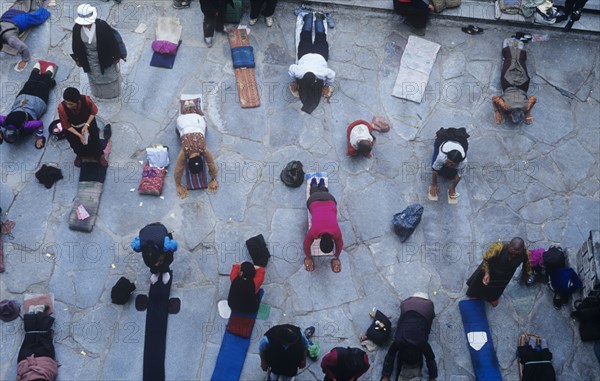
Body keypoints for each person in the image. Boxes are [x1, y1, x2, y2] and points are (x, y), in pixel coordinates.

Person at [381, 293, 438, 381]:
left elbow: (390, 356)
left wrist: (386, 376)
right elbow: (431, 360)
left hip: (413, 304)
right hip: (415, 305)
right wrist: (432, 377)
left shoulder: (401, 341)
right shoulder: (422, 343)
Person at [71, 4, 122, 99]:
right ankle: (99, 93)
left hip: (105, 56)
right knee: (94, 77)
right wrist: (77, 59)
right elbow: (76, 45)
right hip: (90, 59)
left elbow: (112, 42)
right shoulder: (77, 28)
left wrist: (116, 56)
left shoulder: (102, 26)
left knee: (110, 76)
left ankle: (113, 93)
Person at [288, 12, 335, 114]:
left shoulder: (321, 73)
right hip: (305, 54)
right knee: (305, 35)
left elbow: (332, 74)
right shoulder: (300, 72)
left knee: (321, 36)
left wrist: (328, 84)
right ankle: (309, 18)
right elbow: (291, 68)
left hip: (320, 55)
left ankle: (318, 18)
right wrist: (293, 81)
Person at [0, 63, 55, 148]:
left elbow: (39, 124)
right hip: (24, 98)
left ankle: (48, 73)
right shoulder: (4, 121)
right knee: (31, 81)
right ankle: (36, 70)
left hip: (38, 101)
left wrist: (39, 137)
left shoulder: (26, 125)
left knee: (43, 84)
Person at [466, 237, 532, 307]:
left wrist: (526, 275)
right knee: (480, 283)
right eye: (511, 253)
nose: (513, 256)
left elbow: (527, 266)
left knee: (497, 288)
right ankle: (474, 294)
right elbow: (486, 259)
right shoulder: (498, 247)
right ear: (509, 246)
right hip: (491, 270)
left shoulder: (525, 254)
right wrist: (486, 273)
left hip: (506, 275)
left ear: (522, 250)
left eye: (516, 255)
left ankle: (492, 298)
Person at [173, 109, 218, 198]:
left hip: (197, 119)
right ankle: (190, 111)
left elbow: (179, 169)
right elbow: (211, 163)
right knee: (180, 131)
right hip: (189, 120)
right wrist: (213, 178)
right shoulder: (187, 150)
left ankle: (190, 111)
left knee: (202, 129)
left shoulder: (202, 148)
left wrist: (178, 184)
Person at [57, 87, 108, 167]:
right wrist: (79, 135)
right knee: (75, 143)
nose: (68, 106)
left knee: (95, 139)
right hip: (72, 127)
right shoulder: (62, 107)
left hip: (87, 122)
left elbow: (93, 112)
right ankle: (80, 155)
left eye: (71, 104)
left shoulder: (86, 100)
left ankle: (99, 155)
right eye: (66, 103)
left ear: (77, 102)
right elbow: (66, 125)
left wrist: (86, 125)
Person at [492, 38, 537, 126]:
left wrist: (527, 112)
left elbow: (534, 98)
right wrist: (497, 112)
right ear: (510, 114)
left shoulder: (526, 107)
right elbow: (494, 98)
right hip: (512, 84)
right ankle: (513, 48)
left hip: (521, 85)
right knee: (512, 62)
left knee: (515, 63)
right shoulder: (506, 106)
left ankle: (516, 49)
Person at [303, 177, 343, 273]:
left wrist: (308, 257)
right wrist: (336, 258)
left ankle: (321, 183)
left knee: (323, 192)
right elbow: (306, 244)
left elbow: (340, 244)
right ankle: (314, 183)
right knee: (313, 192)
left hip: (330, 199)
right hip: (314, 200)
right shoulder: (314, 231)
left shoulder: (336, 232)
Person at [0, 0, 50, 71]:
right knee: (22, 4)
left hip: (19, 20)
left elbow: (24, 48)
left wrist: (24, 60)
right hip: (7, 16)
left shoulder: (11, 39)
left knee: (39, 17)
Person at [428, 128, 468, 201]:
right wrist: (434, 184)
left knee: (451, 175)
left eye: (452, 164)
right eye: (448, 162)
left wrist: (453, 187)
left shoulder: (463, 162)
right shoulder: (442, 156)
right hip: (441, 142)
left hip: (459, 143)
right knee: (438, 168)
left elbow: (460, 175)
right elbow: (435, 169)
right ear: (447, 157)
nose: (449, 165)